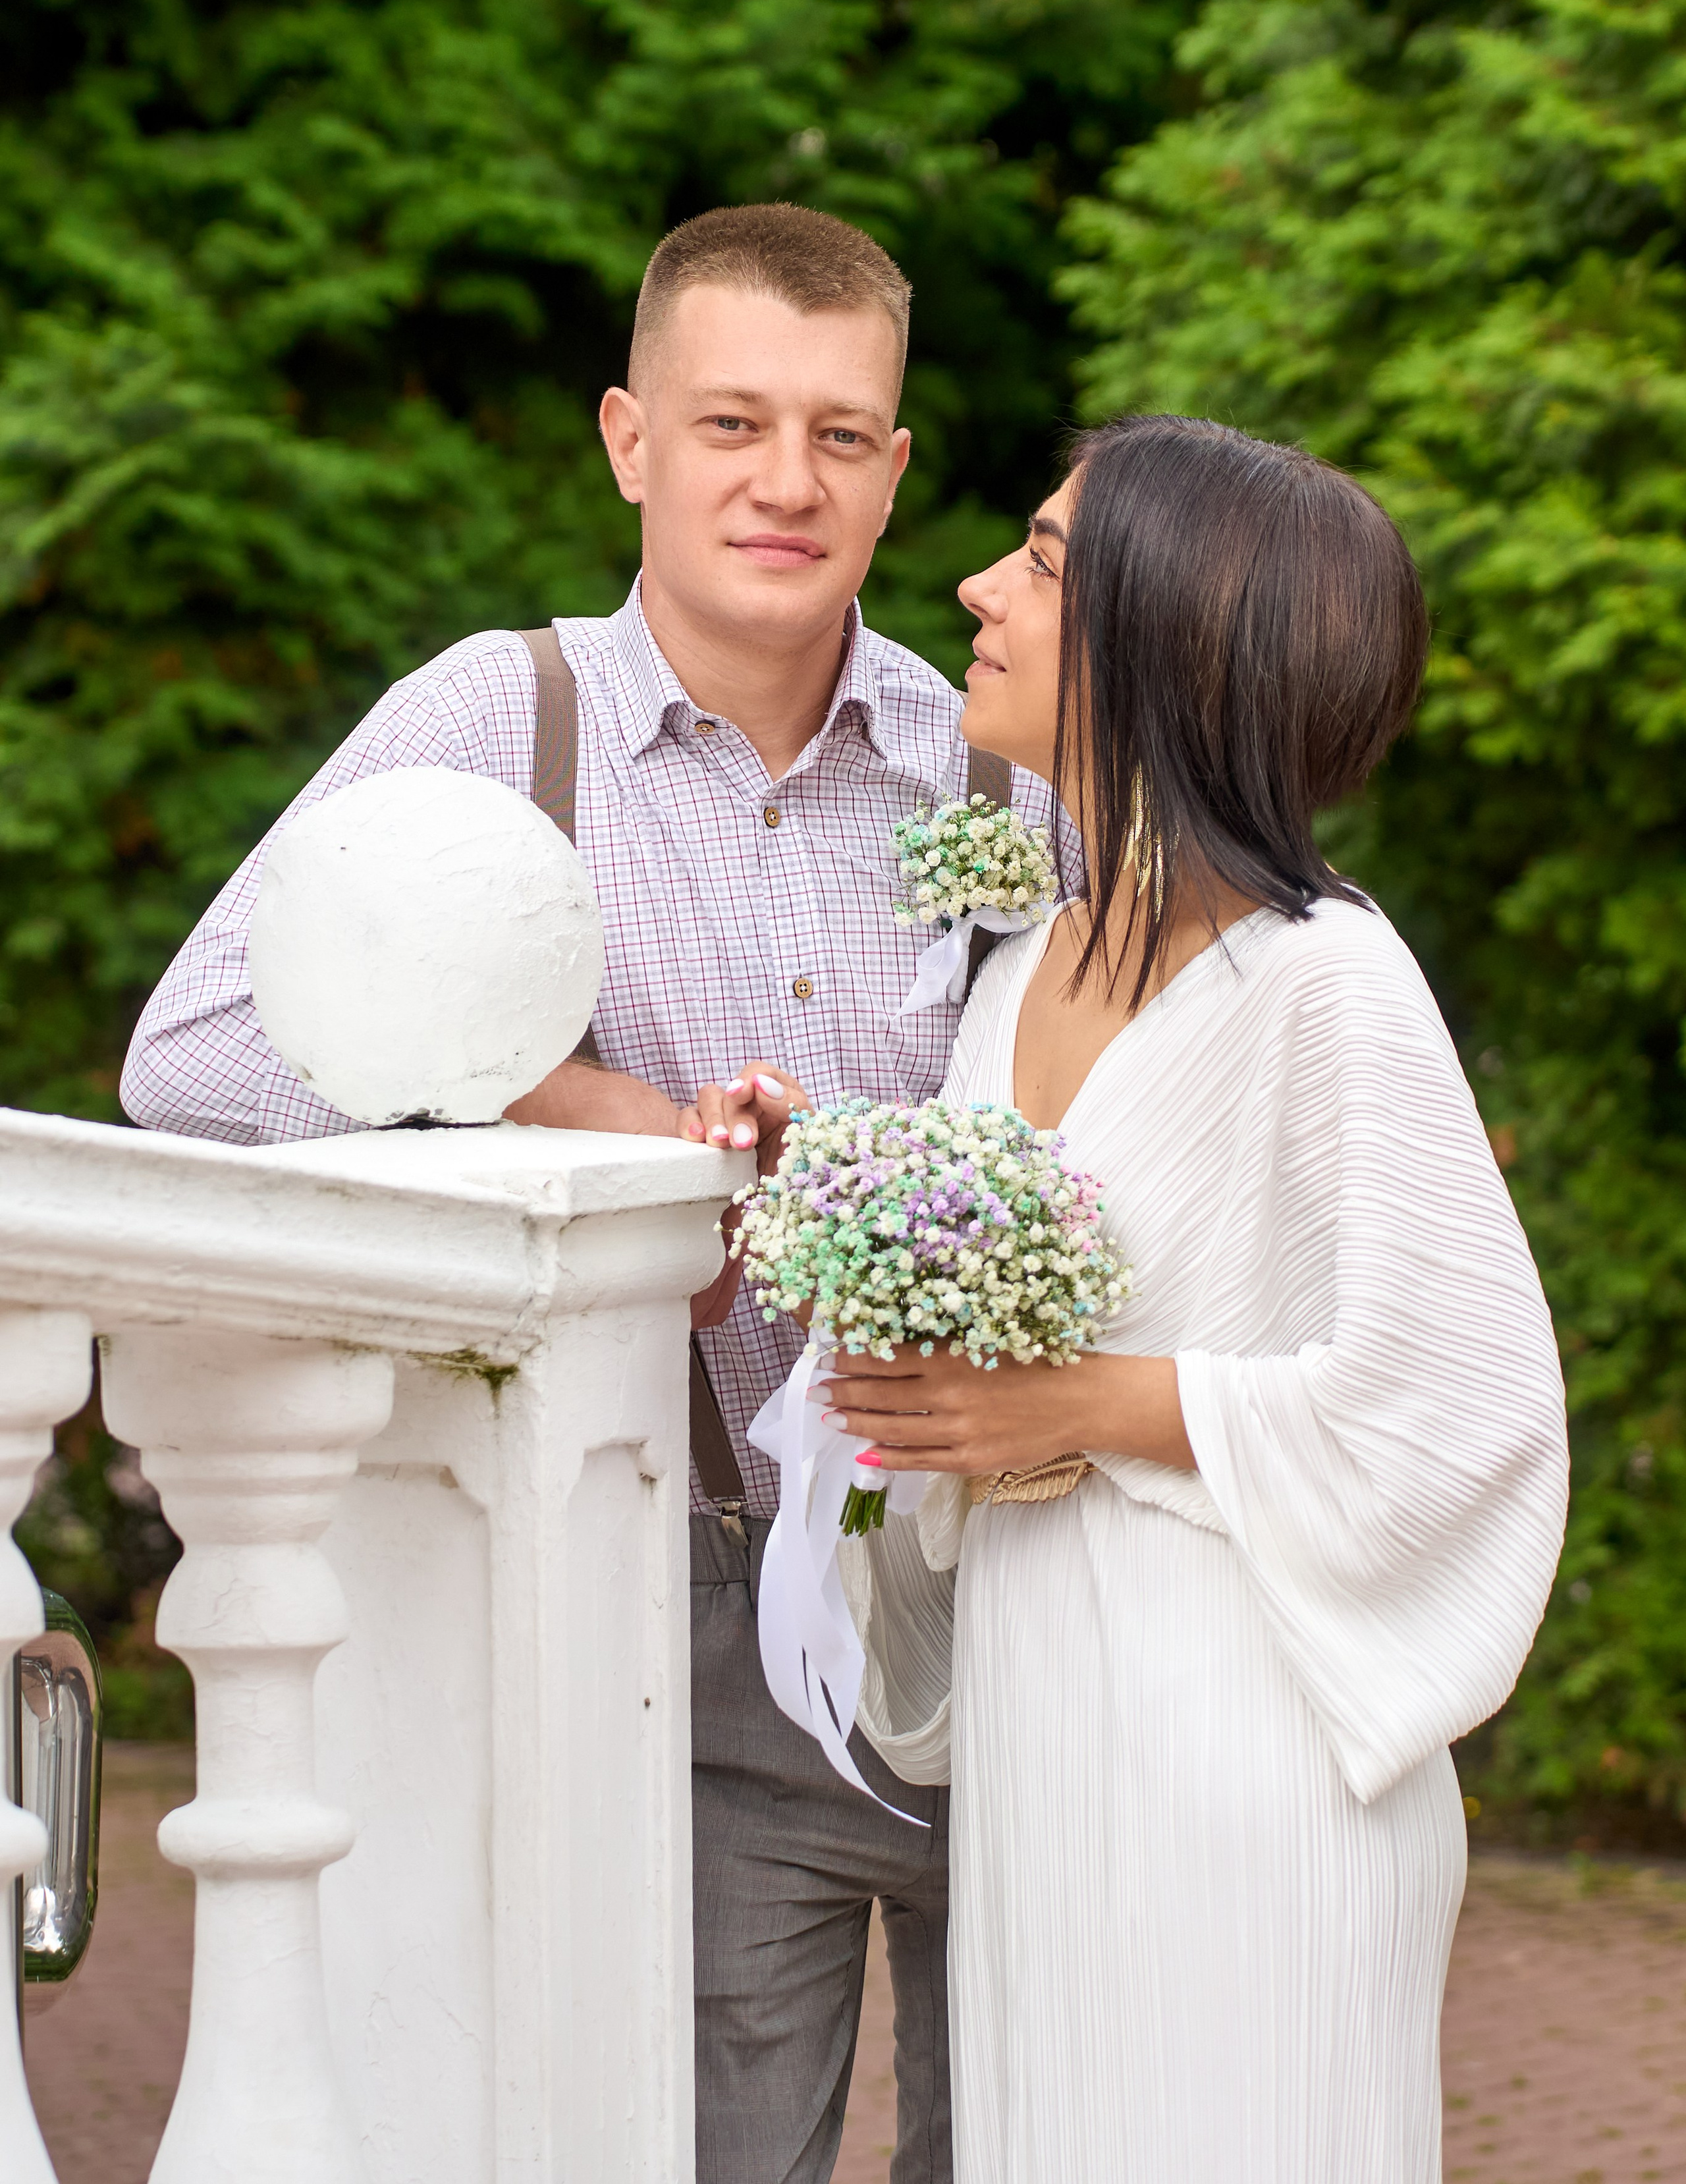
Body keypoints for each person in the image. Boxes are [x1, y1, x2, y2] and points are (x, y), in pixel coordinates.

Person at [123, 203, 1055, 2184]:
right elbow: (191, 1061)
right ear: (631, 440)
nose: (784, 483)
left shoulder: (998, 771)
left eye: (839, 434)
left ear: (897, 469)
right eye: (732, 424)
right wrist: (573, 1102)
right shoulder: (498, 721)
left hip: (1010, 1585)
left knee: (1035, 2142)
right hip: (681, 1604)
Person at [815, 416, 1570, 2183]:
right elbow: (999, 1398)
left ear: (1174, 636)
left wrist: (1077, 1405)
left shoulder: (1331, 987)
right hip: (1044, 1730)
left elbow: (1454, 1403)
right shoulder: (1019, 976)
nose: (976, 591)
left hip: (1248, 1755)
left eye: (1044, 561)